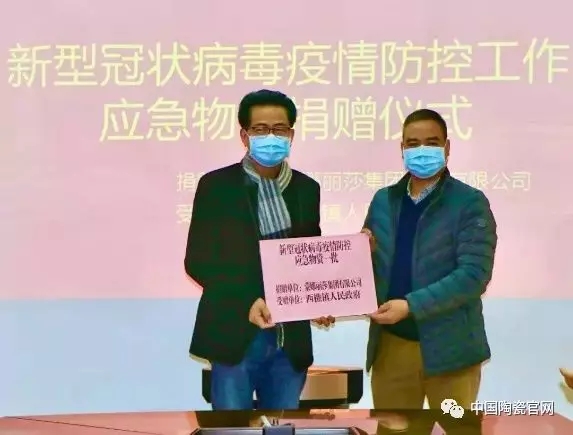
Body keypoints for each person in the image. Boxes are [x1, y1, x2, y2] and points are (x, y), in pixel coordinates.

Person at [184, 89, 333, 411]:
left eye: (279, 129)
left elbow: (310, 257)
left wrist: (320, 298)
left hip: (289, 343)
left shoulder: (307, 189)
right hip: (234, 335)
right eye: (261, 129)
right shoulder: (217, 186)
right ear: (245, 135)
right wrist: (247, 301)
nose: (271, 137)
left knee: (283, 428)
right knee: (232, 431)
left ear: (291, 134)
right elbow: (198, 260)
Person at [361, 108, 498, 410]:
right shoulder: (383, 200)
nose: (422, 150)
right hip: (392, 347)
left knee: (455, 429)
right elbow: (366, 269)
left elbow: (473, 275)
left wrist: (411, 305)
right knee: (393, 430)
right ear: (402, 149)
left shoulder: (470, 202)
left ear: (447, 148)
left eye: (431, 142)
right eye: (413, 144)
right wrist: (357, 260)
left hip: (451, 350)